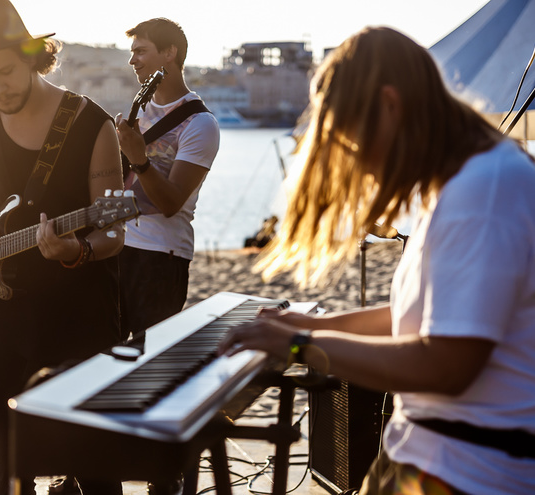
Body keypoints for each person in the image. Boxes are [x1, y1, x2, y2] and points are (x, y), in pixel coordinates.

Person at [219, 27, 535, 495]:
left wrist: (298, 347)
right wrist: (309, 327)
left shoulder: (484, 190)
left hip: (469, 472)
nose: (359, 164)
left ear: (390, 105)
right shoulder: (460, 182)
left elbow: (446, 365)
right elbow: (420, 319)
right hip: (423, 457)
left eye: (351, 142)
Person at [0, 1, 125, 494]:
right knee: (8, 467)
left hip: (78, 318)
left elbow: (113, 232)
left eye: (5, 72)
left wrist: (74, 252)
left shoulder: (90, 124)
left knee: (95, 467)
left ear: (32, 55)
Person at [115, 18, 220, 348]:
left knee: (147, 361)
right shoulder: (138, 112)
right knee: (103, 357)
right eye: (132, 53)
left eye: (141, 51)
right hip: (118, 249)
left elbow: (171, 203)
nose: (133, 61)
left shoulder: (200, 124)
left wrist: (139, 158)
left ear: (169, 53)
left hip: (162, 257)